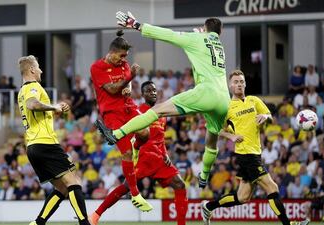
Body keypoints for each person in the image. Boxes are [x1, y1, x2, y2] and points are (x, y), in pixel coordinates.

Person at [95, 11, 230, 188]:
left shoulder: (197, 39)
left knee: (156, 111)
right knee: (211, 141)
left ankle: (117, 134)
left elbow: (169, 35)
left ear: (204, 29)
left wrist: (136, 25)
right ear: (219, 32)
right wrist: (202, 35)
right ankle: (204, 175)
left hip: (206, 92)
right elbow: (205, 48)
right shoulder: (219, 46)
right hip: (224, 99)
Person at [200, 70, 310, 225]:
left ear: (245, 84)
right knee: (272, 187)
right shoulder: (227, 107)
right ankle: (289, 224)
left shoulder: (254, 100)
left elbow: (270, 116)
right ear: (230, 86)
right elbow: (214, 128)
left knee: (242, 197)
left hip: (256, 153)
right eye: (236, 82)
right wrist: (231, 136)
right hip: (245, 154)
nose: (239, 84)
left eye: (241, 82)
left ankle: (208, 206)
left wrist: (265, 117)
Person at [88, 81, 188, 225]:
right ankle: (96, 215)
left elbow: (161, 137)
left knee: (180, 184)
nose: (152, 92)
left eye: (154, 90)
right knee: (125, 187)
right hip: (143, 157)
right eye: (148, 91)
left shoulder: (162, 113)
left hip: (159, 159)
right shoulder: (138, 110)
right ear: (143, 94)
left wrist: (165, 153)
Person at [17, 55, 91, 225]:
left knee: (62, 187)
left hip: (33, 147)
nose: (41, 70)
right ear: (32, 70)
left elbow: (34, 109)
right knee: (74, 182)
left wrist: (54, 111)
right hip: (45, 143)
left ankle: (38, 223)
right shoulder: (32, 86)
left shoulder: (21, 91)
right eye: (39, 67)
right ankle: (84, 223)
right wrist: (54, 106)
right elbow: (33, 105)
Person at [90, 30, 151, 211]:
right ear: (112, 52)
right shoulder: (97, 67)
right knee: (126, 154)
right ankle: (135, 193)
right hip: (112, 113)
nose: (124, 59)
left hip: (128, 107)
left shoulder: (123, 64)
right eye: (121, 55)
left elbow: (125, 84)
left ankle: (135, 145)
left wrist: (129, 85)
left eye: (126, 56)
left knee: (145, 133)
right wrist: (129, 78)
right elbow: (112, 89)